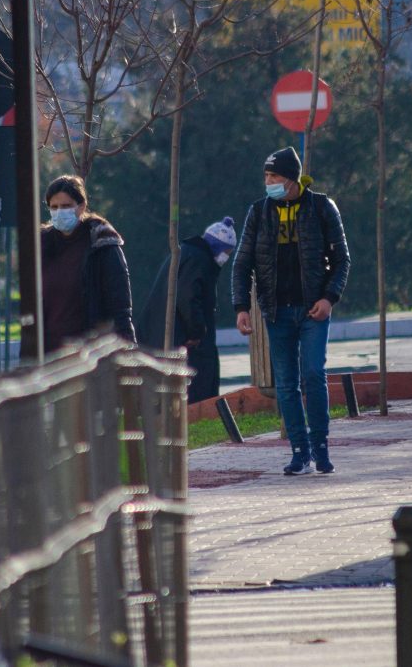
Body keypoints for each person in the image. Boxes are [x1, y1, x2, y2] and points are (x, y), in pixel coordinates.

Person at [232, 146, 351, 475]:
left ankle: (321, 446)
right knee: (286, 383)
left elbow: (342, 259)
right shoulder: (258, 212)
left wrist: (329, 298)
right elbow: (242, 264)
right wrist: (241, 306)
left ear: (293, 179)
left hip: (313, 308)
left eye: (275, 177)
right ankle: (299, 452)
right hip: (275, 311)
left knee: (313, 374)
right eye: (266, 176)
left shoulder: (322, 207)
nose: (268, 182)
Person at [138, 217, 237, 403]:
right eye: (227, 252)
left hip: (163, 334)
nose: (226, 258)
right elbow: (189, 298)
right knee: (196, 389)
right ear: (218, 246)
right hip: (185, 339)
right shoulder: (199, 260)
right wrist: (197, 331)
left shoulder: (185, 253)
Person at [40, 174, 136, 354]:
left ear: (81, 206)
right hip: (48, 356)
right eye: (54, 207)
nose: (60, 212)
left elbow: (120, 307)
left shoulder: (102, 246)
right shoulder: (42, 246)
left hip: (89, 354)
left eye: (67, 206)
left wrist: (128, 351)